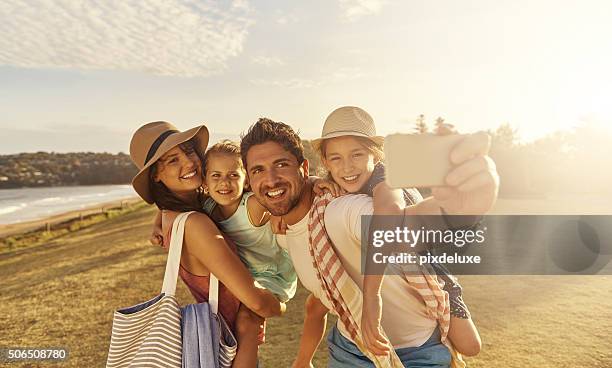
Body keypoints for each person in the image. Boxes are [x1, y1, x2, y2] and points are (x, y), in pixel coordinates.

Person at [239, 117, 499, 368]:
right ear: (249, 180)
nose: (271, 179)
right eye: (258, 170)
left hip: (415, 354)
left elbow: (404, 224)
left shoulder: (341, 211)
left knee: (469, 343)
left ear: (304, 169)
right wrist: (303, 359)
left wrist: (457, 211)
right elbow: (321, 297)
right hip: (348, 349)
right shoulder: (284, 234)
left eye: (281, 164)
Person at [306, 106, 481, 360]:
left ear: (375, 156)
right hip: (403, 261)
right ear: (325, 162)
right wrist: (313, 182)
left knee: (469, 345)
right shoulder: (337, 184)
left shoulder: (385, 178)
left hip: (431, 268)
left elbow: (390, 210)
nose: (347, 166)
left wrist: (371, 295)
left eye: (357, 154)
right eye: (336, 158)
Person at [129, 121, 285, 368]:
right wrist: (281, 306)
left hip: (222, 344)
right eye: (172, 160)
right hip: (233, 350)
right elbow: (257, 302)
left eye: (188, 151)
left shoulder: (178, 215)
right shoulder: (195, 224)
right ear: (155, 175)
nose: (189, 163)